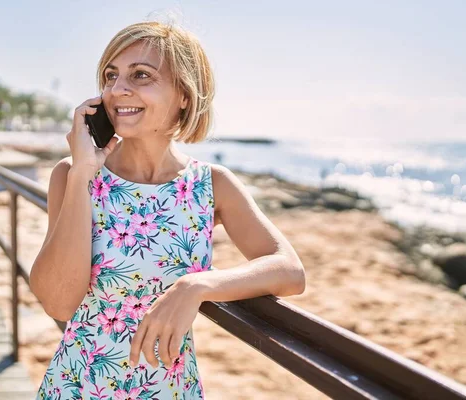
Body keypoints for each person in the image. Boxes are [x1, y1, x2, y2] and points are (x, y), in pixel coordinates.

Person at [30, 21, 306, 399]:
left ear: (185, 95)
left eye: (141, 75)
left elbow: (289, 270)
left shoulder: (211, 184)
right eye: (111, 76)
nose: (117, 89)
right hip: (79, 385)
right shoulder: (73, 174)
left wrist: (198, 285)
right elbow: (59, 302)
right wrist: (81, 176)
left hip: (170, 389)